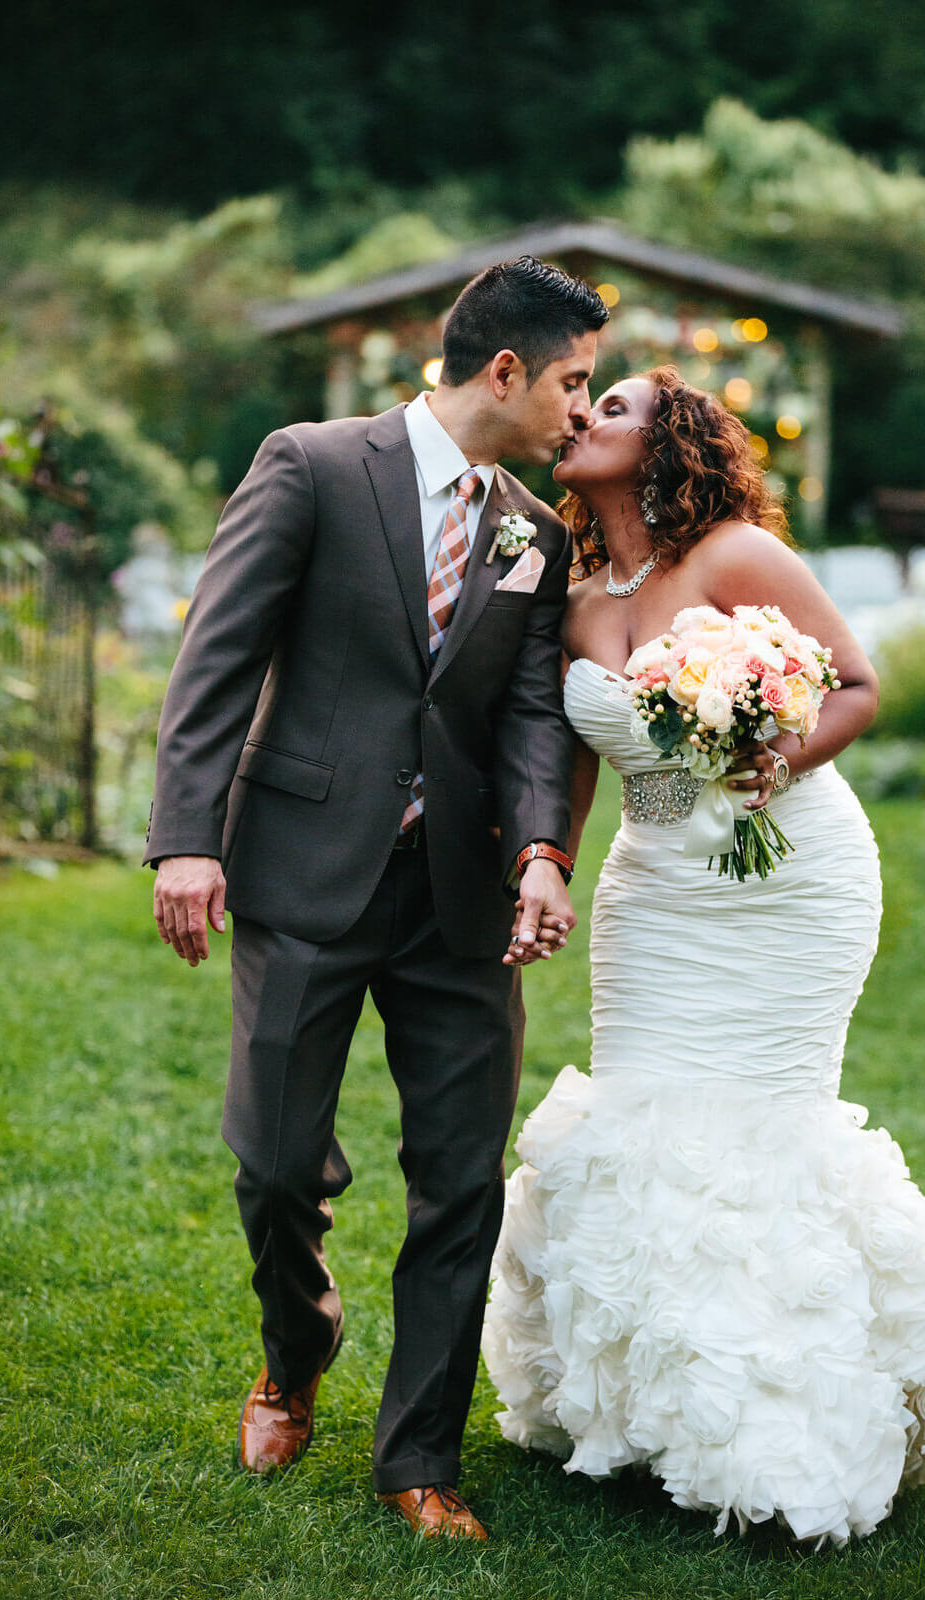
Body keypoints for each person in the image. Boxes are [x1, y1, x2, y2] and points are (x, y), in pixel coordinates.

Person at [482, 366, 925, 1547]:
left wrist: (772, 761)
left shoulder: (732, 558)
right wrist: (548, 867)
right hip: (656, 891)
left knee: (763, 1124)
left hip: (788, 885)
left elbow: (857, 686)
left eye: (611, 407)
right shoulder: (571, 596)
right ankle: (657, 1412)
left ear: (667, 440)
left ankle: (784, 1419)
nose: (584, 420)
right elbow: (574, 761)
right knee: (639, 1115)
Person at [144, 257, 610, 1540]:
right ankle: (296, 1352)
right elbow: (218, 654)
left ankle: (417, 1458)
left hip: (461, 899)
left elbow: (526, 710)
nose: (585, 409)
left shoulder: (536, 529)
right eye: (573, 383)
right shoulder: (307, 462)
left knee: (459, 1183)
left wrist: (538, 853)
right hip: (301, 871)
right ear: (503, 369)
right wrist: (187, 838)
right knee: (277, 1165)